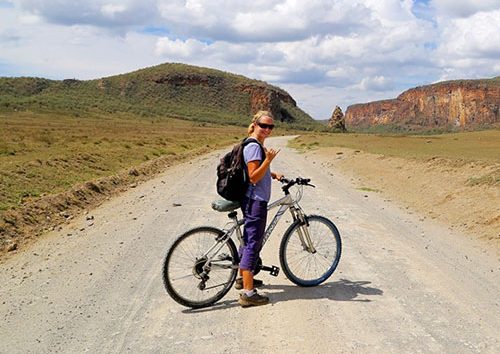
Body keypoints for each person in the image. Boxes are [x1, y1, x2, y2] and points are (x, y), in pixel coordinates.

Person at [237, 110, 283, 307]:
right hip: (255, 201)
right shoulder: (255, 147)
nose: (267, 129)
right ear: (254, 124)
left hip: (251, 198)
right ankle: (248, 294)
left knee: (248, 239)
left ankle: (242, 279)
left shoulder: (252, 143)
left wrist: (271, 174)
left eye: (270, 127)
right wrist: (268, 160)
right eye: (263, 125)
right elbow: (254, 176)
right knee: (253, 244)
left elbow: (255, 173)